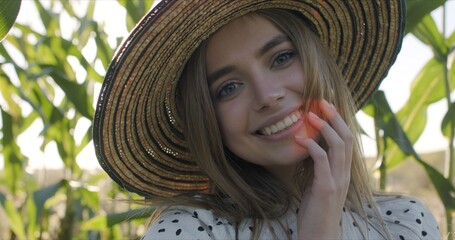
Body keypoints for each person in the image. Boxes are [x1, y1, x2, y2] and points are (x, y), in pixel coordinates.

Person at [93, 1, 441, 239]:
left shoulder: (405, 222)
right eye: (228, 87)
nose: (267, 95)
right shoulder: (191, 230)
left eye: (282, 57)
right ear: (206, 119)